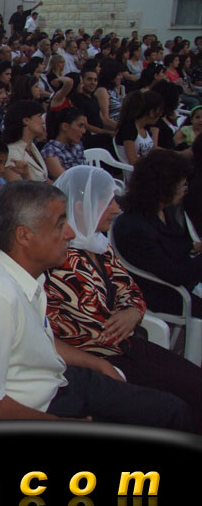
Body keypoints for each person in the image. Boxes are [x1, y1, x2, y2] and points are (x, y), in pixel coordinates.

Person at [0, 180, 194, 431]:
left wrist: (97, 364)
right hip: (44, 406)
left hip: (59, 379)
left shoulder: (20, 275)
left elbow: (40, 342)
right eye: (60, 224)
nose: (70, 233)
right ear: (24, 236)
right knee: (173, 415)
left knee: (174, 409)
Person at [44, 165, 202, 432]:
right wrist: (129, 310)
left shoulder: (98, 244)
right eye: (109, 203)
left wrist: (133, 311)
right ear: (82, 207)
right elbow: (98, 323)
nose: (117, 209)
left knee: (196, 383)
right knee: (182, 404)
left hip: (126, 345)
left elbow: (131, 289)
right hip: (94, 357)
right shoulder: (60, 257)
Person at [112, 149, 202, 318]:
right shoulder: (133, 227)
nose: (184, 190)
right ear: (162, 188)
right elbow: (175, 274)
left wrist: (196, 247)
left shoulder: (164, 210)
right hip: (164, 293)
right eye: (180, 185)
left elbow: (178, 247)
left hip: (180, 280)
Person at [3, 100, 49, 183]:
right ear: (26, 120)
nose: (43, 121)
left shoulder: (31, 147)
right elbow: (18, 188)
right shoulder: (11, 153)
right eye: (39, 117)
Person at [114, 90, 162, 165]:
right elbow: (133, 160)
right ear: (152, 112)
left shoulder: (146, 129)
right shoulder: (128, 129)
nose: (160, 115)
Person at [42, 107, 88, 180]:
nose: (84, 131)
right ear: (65, 126)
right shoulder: (51, 151)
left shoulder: (77, 145)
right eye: (80, 126)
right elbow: (64, 180)